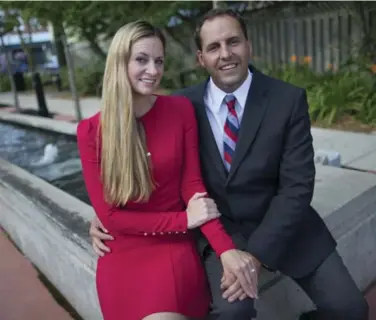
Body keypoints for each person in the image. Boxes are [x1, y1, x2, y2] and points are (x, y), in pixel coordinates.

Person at [89, 9, 369, 320]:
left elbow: (297, 187)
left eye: (233, 42)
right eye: (213, 47)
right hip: (221, 233)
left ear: (248, 45)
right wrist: (104, 216)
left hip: (287, 229)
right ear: (200, 58)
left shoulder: (287, 100)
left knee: (351, 310)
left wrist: (255, 255)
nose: (225, 54)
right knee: (231, 313)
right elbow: (150, 166)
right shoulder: (182, 106)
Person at [77, 20, 261, 320]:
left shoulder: (179, 111)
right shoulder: (91, 132)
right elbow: (110, 216)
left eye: (159, 61)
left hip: (170, 253)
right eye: (141, 59)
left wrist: (226, 250)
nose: (153, 70)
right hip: (121, 258)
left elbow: (193, 188)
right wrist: (183, 219)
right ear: (119, 62)